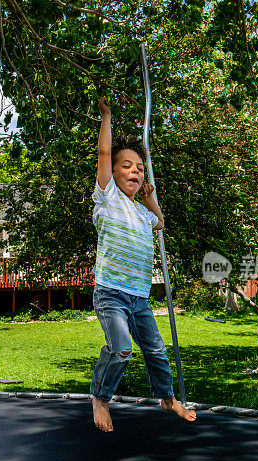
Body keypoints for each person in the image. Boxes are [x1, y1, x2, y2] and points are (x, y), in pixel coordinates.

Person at [90, 97, 196, 432]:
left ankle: (166, 397)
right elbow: (104, 155)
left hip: (138, 297)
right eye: (127, 165)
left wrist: (150, 197)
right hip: (111, 293)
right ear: (113, 174)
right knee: (121, 350)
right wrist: (107, 117)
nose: (134, 170)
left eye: (139, 167)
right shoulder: (107, 197)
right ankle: (100, 397)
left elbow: (160, 223)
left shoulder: (140, 211)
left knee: (156, 351)